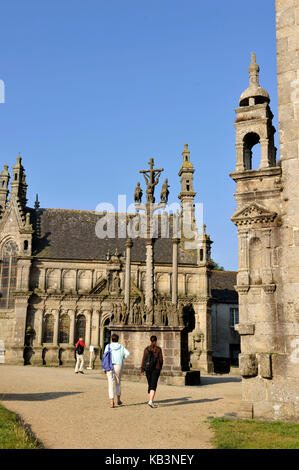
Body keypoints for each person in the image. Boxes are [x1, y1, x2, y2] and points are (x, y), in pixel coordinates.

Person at [103, 333, 130, 408]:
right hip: (118, 365)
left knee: (110, 383)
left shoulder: (108, 346)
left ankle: (112, 402)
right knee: (118, 382)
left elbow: (105, 357)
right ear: (118, 339)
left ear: (112, 339)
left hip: (109, 365)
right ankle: (118, 400)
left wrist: (104, 368)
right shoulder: (121, 346)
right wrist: (122, 358)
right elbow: (128, 353)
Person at [141, 335, 163, 408]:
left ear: (150, 341)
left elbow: (144, 360)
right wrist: (160, 367)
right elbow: (161, 360)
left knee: (150, 384)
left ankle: (150, 399)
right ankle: (150, 401)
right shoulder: (158, 349)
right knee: (153, 385)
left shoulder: (146, 349)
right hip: (156, 369)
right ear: (156, 341)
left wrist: (142, 369)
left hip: (148, 369)